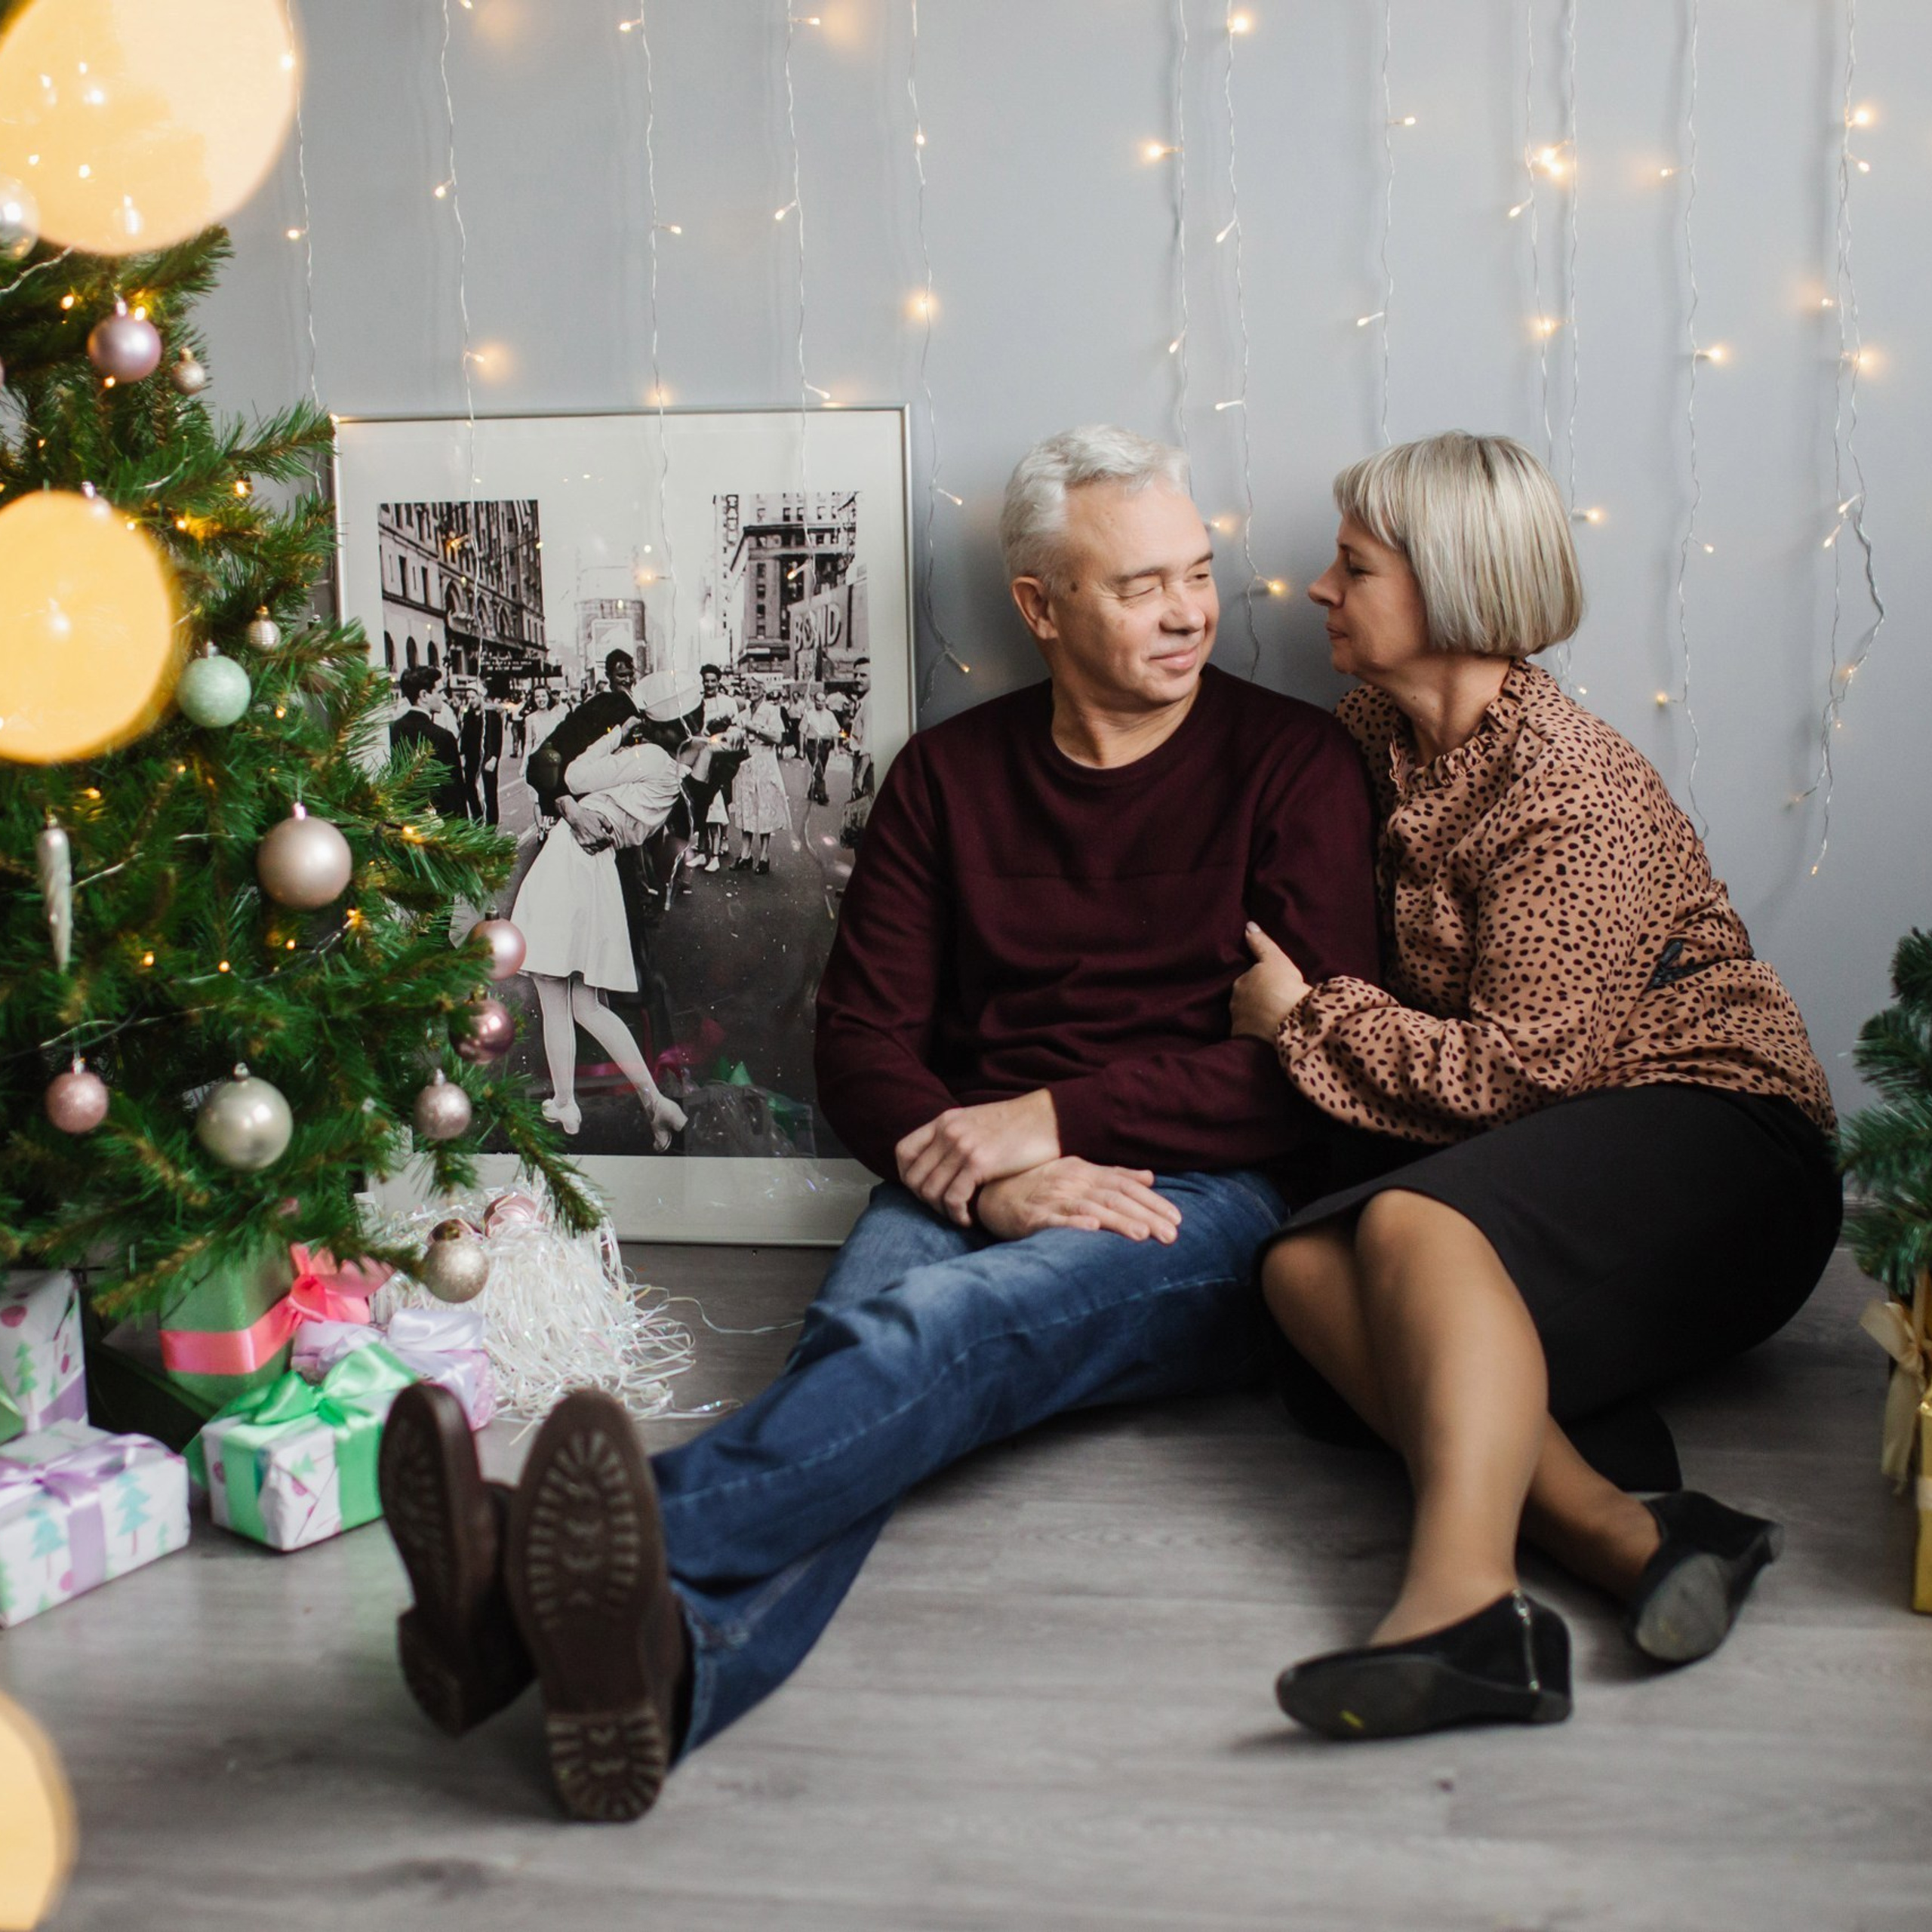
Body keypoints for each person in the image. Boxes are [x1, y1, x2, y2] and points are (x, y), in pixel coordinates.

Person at [376, 423, 1381, 1823]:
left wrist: (1047, 1121)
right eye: (1139, 583)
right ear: (1039, 605)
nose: (1187, 612)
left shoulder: (1294, 767)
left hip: (1205, 1192)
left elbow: (1306, 1068)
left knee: (933, 1331)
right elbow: (857, 1046)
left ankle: (516, 1567)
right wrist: (988, 1180)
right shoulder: (949, 777)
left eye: (1196, 573)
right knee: (867, 1349)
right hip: (960, 1163)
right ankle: (667, 1670)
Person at [1227, 432, 1841, 1743]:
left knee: (1407, 1224)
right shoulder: (1374, 735)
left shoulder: (1567, 785)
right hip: (1562, 1137)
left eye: (1353, 567)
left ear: (1448, 585)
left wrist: (1303, 1019)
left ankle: (1464, 1612)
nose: (1318, 590)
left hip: (1725, 1136)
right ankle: (1633, 1537)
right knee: (1298, 1270)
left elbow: (1520, 1072)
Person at [507, 703, 692, 1147]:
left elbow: (575, 775)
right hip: (597, 868)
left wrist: (616, 734)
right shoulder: (673, 785)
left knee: (555, 995)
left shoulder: (648, 757)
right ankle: (651, 1102)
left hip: (570, 858)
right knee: (586, 1006)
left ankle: (568, 1102)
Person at [386, 667, 469, 820]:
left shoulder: (393, 730)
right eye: (439, 692)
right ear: (424, 695)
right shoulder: (443, 737)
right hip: (438, 821)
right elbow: (454, 794)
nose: (444, 697)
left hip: (404, 817)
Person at [731, 685, 790, 873]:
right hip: (746, 764)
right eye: (748, 688)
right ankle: (745, 854)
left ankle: (764, 855)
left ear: (763, 691)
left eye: (755, 688)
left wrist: (753, 728)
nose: (751, 691)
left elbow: (777, 737)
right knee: (746, 805)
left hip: (765, 764)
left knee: (765, 806)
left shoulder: (772, 710)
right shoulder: (743, 713)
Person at [460, 685, 507, 826]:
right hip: (472, 756)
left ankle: (491, 823)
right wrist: (463, 754)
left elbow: (497, 738)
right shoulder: (468, 715)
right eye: (468, 698)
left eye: (473, 697)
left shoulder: (491, 715)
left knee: (490, 791)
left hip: (488, 757)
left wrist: (494, 757)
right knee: (469, 787)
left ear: (480, 697)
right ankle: (477, 817)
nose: (471, 701)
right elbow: (465, 737)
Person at [799, 685, 840, 806]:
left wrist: (836, 747)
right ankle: (822, 795)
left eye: (823, 701)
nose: (820, 703)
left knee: (820, 770)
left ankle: (811, 791)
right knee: (818, 770)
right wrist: (801, 749)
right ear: (814, 700)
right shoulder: (809, 715)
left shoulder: (830, 715)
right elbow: (802, 732)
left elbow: (835, 731)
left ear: (825, 701)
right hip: (812, 746)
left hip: (825, 746)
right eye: (818, 700)